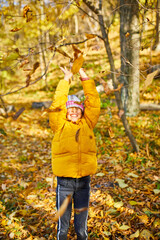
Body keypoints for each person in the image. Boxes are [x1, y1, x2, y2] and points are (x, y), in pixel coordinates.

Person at [49, 66, 100, 240]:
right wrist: (67, 80)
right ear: (65, 112)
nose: (73, 111)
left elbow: (93, 101)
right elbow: (57, 104)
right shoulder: (59, 126)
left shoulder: (88, 123)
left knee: (81, 227)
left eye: (77, 108)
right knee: (63, 227)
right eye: (69, 109)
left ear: (82, 111)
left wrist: (84, 77)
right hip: (65, 182)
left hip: (84, 180)